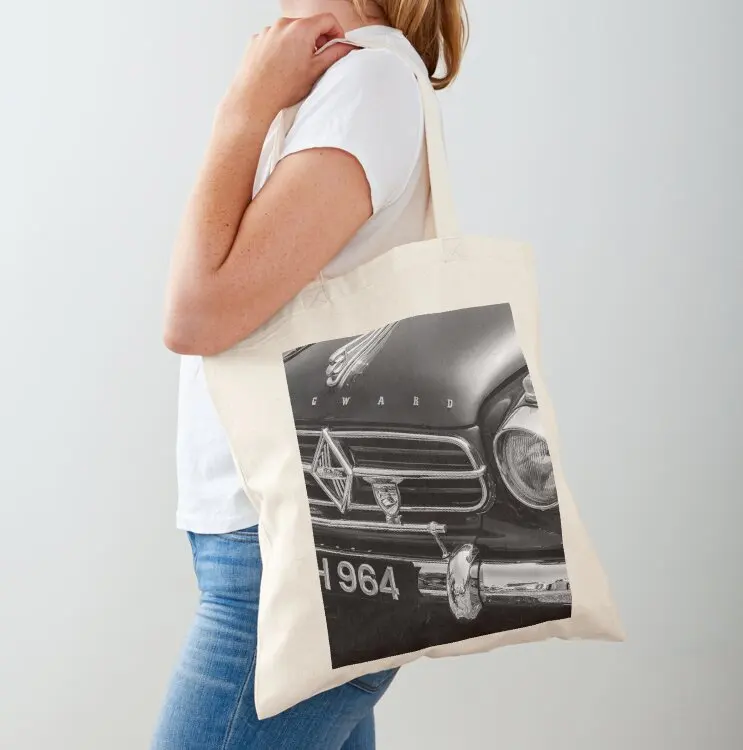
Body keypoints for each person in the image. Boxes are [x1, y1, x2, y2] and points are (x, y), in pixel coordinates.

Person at [152, 1, 467, 748]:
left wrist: (244, 106)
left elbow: (196, 313)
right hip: (274, 550)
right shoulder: (334, 82)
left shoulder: (369, 83)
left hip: (293, 567)